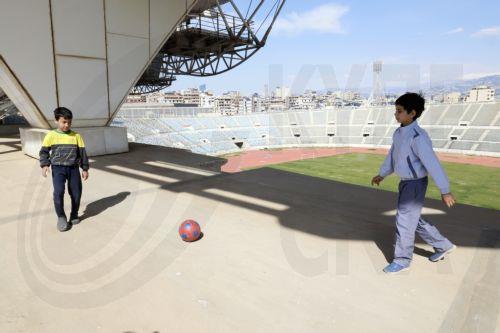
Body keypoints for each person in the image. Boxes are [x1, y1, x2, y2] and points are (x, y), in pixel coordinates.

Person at [371, 92, 456, 274]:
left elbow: (433, 164)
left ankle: (402, 260)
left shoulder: (418, 137)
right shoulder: (399, 133)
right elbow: (392, 156)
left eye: (400, 111)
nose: (396, 114)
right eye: (396, 111)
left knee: (404, 220)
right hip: (405, 184)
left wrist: (445, 190)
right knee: (412, 218)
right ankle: (443, 245)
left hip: (415, 184)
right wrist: (382, 174)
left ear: (412, 113)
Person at [39, 107, 89, 232]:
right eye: (64, 122)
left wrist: (85, 168)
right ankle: (61, 216)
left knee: (76, 193)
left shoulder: (76, 136)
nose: (67, 125)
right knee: (58, 192)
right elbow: (44, 152)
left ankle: (74, 214)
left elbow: (82, 153)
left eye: (69, 122)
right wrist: (45, 165)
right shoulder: (51, 135)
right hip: (58, 169)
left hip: (73, 169)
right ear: (56, 121)